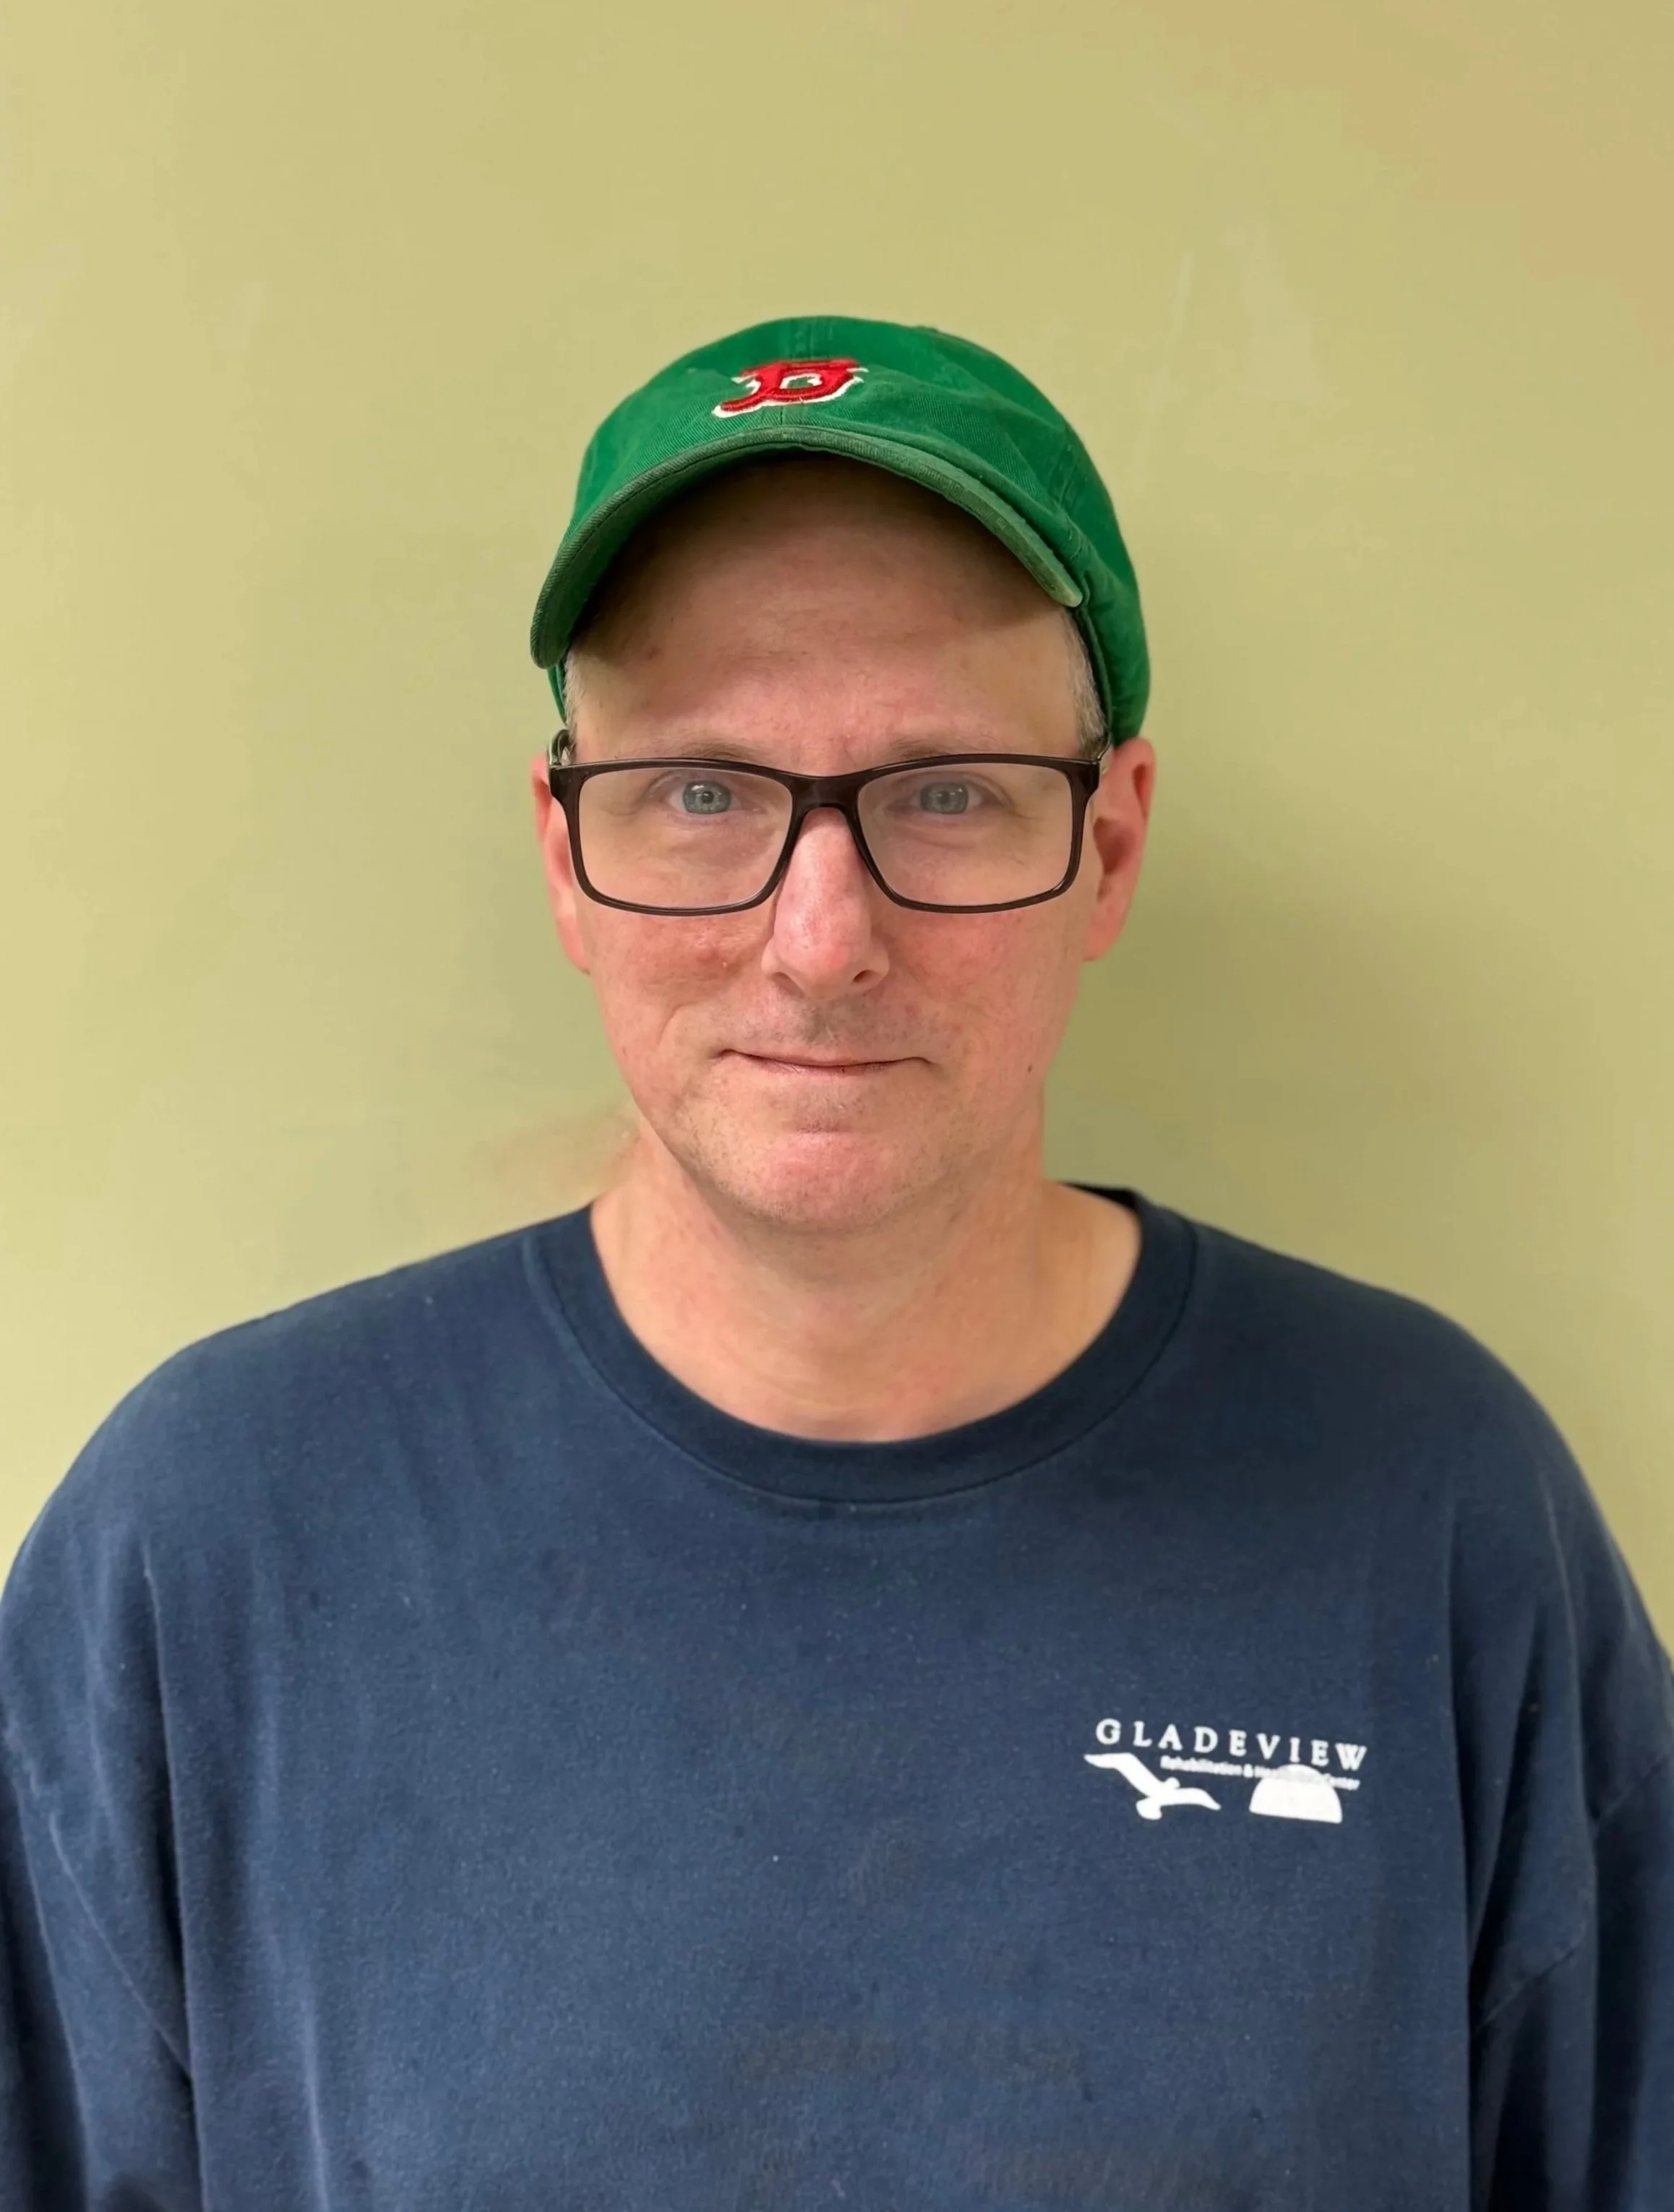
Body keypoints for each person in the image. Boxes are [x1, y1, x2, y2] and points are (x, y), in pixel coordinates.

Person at [1, 315, 1669, 2211]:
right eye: (703, 790)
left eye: (945, 789)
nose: (818, 939)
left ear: (1107, 842)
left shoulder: (1429, 1501)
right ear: (563, 850)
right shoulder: (215, 1538)